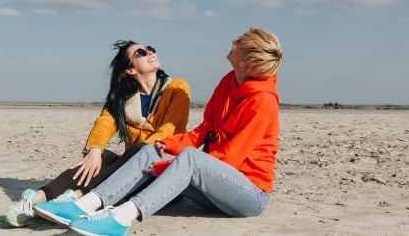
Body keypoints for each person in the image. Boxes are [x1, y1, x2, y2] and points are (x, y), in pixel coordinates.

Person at [33, 28, 282, 236]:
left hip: (248, 195)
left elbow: (229, 159)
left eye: (240, 42)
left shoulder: (262, 101)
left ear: (244, 61)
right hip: (213, 187)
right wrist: (167, 146)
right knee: (153, 149)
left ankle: (120, 218)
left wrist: (166, 167)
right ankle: (84, 205)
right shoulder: (229, 82)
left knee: (189, 159)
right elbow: (204, 131)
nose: (234, 41)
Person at [0, 40, 191, 227]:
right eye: (141, 53)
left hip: (158, 171)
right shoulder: (124, 98)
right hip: (127, 172)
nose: (150, 52)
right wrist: (95, 150)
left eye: (149, 49)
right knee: (104, 156)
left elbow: (169, 130)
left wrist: (127, 160)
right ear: (130, 70)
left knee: (138, 149)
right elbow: (105, 122)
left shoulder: (177, 88)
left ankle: (77, 197)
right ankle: (34, 201)